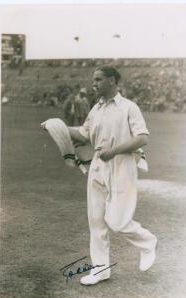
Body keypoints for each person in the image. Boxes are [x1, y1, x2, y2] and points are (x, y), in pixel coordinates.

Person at [68, 65, 157, 286]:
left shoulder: (129, 107)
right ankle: (101, 270)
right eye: (93, 79)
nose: (94, 83)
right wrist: (58, 127)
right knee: (96, 221)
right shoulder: (95, 109)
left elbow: (142, 138)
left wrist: (115, 151)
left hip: (122, 166)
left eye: (98, 79)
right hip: (98, 167)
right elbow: (83, 134)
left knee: (117, 221)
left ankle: (148, 242)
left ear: (112, 81)